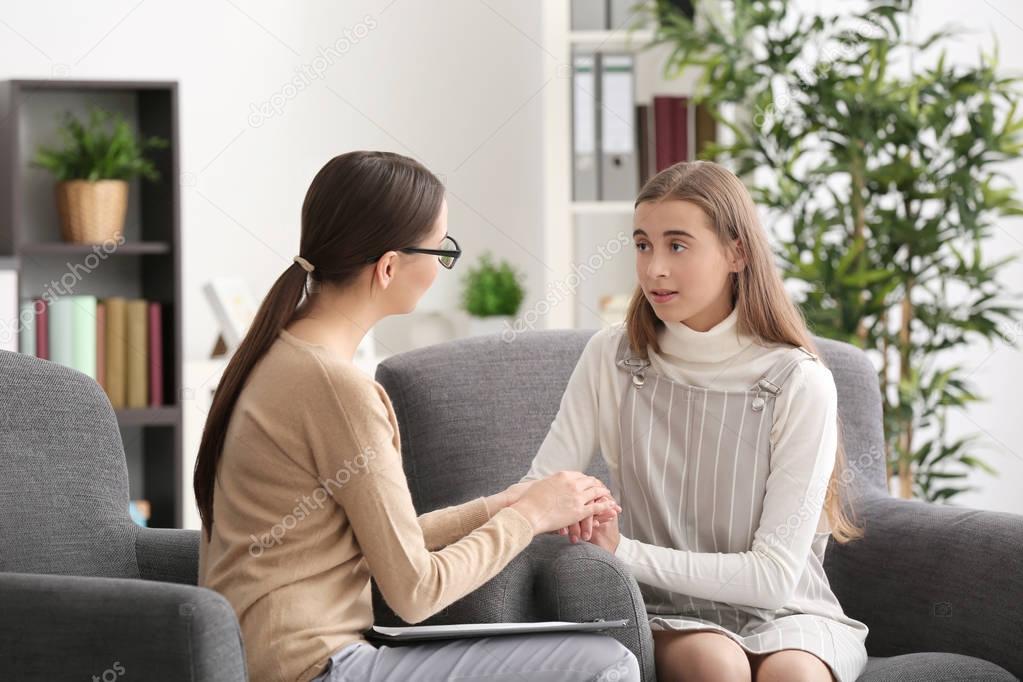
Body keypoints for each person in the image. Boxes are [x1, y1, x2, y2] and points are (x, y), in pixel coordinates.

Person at [194, 151, 639, 682]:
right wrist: (530, 519)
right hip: (315, 669)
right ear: (387, 267)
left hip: (274, 659)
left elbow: (386, 542)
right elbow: (416, 590)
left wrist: (504, 504)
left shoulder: (281, 355)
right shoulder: (339, 391)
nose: (441, 267)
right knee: (608, 661)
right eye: (441, 250)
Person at [521, 160, 869, 682]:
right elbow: (537, 491)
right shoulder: (611, 357)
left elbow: (773, 579)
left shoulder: (800, 380)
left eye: (677, 246)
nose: (654, 268)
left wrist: (623, 550)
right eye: (643, 245)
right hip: (666, 609)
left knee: (794, 675)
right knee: (715, 662)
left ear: (737, 253)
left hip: (792, 615)